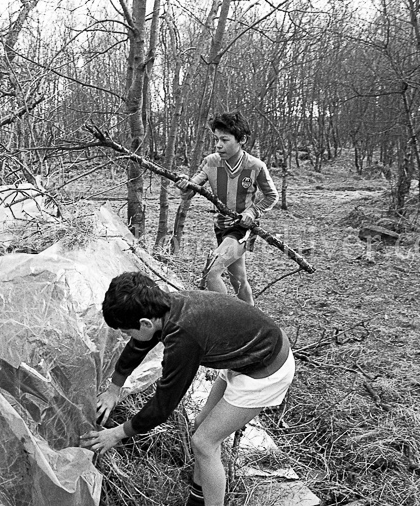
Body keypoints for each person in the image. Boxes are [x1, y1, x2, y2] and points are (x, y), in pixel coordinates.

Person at [81, 271, 295, 506]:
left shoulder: (183, 338)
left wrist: (117, 433)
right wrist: (114, 389)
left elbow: (164, 405)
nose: (126, 335)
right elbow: (139, 345)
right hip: (246, 351)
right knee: (201, 425)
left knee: (204, 442)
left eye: (126, 330)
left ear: (145, 323)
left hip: (266, 369)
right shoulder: (164, 306)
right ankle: (198, 496)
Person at [176, 111, 277, 305]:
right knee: (238, 280)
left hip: (242, 228)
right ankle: (253, 320)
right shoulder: (210, 162)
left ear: (242, 140)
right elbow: (190, 191)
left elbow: (272, 196)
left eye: (225, 139)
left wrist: (252, 211)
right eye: (216, 139)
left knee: (212, 272)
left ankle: (228, 318)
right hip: (220, 227)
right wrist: (183, 185)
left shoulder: (256, 166)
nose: (218, 145)